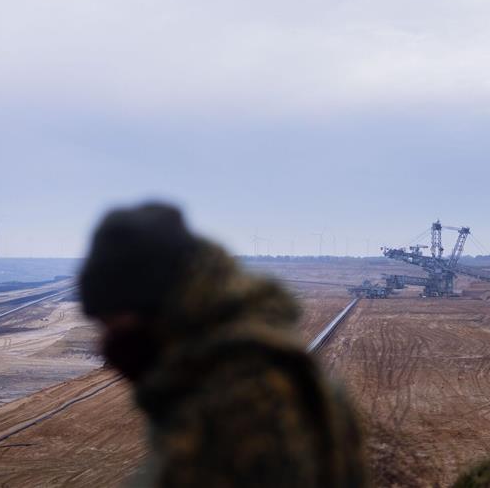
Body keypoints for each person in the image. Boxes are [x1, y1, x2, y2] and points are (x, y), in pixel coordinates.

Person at [80, 203, 366, 487]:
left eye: (113, 321)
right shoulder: (230, 365)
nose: (108, 341)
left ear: (158, 307)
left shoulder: (243, 404)